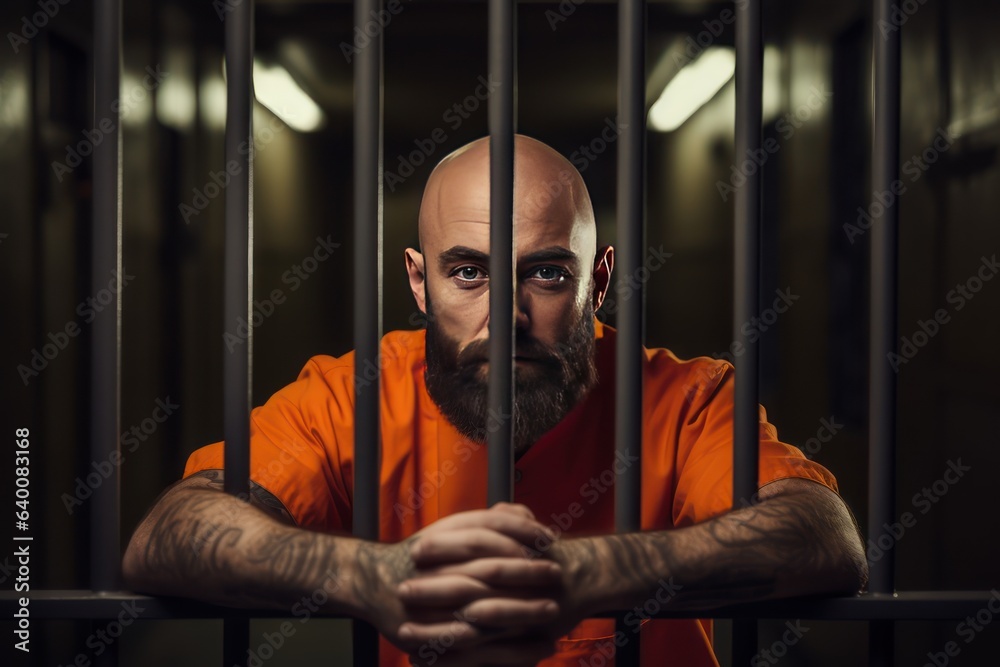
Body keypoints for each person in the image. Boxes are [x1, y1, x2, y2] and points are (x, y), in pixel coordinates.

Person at [123, 135, 867, 666]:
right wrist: (368, 576)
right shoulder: (357, 395)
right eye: (469, 273)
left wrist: (577, 576)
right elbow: (171, 532)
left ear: (598, 282)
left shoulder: (688, 398)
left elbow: (822, 536)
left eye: (544, 273)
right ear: (419, 283)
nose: (505, 314)